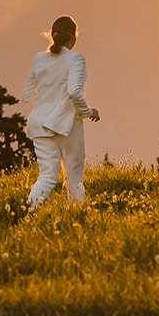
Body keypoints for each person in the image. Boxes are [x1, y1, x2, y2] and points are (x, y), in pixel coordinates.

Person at [22, 15, 99, 209]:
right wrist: (88, 111)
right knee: (74, 176)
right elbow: (74, 92)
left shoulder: (39, 59)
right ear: (73, 37)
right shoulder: (76, 59)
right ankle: (76, 216)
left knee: (47, 176)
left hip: (39, 124)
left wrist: (46, 103)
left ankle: (26, 211)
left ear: (52, 36)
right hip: (67, 125)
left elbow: (26, 94)